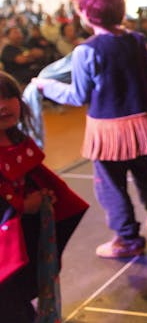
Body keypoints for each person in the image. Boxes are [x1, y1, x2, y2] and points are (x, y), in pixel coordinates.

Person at [34, 0, 147, 258]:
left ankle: (127, 238)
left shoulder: (86, 50)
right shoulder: (137, 40)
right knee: (145, 174)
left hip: (108, 129)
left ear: (86, 14)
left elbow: (77, 95)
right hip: (140, 124)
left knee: (110, 184)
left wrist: (45, 85)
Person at [0, 71, 88, 322]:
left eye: (9, 97)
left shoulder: (18, 140)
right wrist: (21, 205)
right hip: (5, 242)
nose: (4, 106)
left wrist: (43, 196)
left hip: (22, 238)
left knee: (20, 292)